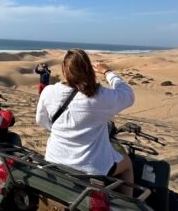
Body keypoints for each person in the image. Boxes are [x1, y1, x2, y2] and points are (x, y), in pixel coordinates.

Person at [35, 49, 135, 196]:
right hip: (91, 170)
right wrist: (107, 72)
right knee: (127, 165)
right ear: (88, 69)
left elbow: (40, 120)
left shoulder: (49, 91)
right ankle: (127, 205)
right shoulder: (100, 96)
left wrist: (64, 130)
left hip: (54, 161)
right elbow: (128, 94)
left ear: (64, 69)